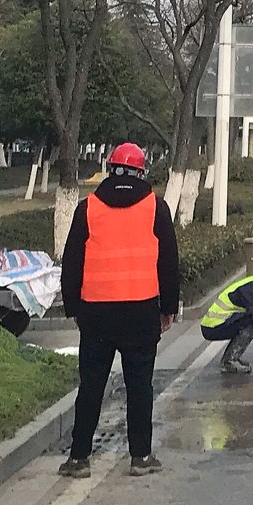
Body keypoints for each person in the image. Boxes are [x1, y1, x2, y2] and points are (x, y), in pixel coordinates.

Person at [57, 141, 179, 478]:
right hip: (142, 311)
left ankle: (79, 458)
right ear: (141, 172)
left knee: (91, 385)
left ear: (110, 169)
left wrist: (73, 307)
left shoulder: (88, 208)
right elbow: (169, 263)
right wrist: (168, 308)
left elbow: (72, 261)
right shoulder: (156, 208)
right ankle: (140, 457)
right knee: (139, 386)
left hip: (96, 313)